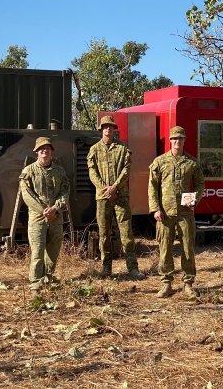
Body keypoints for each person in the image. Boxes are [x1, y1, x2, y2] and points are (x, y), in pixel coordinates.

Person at [148, 126, 205, 298]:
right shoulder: (160, 162)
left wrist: (194, 199)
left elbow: (201, 184)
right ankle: (166, 283)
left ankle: (188, 284)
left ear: (184, 140)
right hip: (165, 213)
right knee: (165, 249)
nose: (177, 141)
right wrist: (155, 209)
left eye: (180, 138)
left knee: (188, 248)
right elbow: (152, 186)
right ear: (170, 141)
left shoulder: (192, 163)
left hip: (185, 213)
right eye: (174, 138)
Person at [87, 116, 145, 280]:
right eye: (105, 127)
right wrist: (105, 188)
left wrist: (115, 187)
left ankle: (132, 268)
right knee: (104, 233)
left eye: (110, 127)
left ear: (114, 129)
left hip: (120, 196)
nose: (108, 129)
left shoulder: (122, 148)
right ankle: (106, 268)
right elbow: (92, 172)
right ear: (101, 129)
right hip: (102, 197)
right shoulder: (94, 150)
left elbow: (126, 170)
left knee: (126, 232)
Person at [19, 137, 69, 293]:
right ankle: (35, 282)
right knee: (38, 251)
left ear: (51, 151)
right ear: (36, 152)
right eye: (41, 148)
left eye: (47, 148)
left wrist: (55, 208)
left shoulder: (60, 171)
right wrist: (44, 210)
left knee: (53, 251)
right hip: (37, 218)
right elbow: (26, 194)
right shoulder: (29, 171)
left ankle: (47, 278)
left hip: (56, 217)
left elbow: (65, 191)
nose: (44, 151)